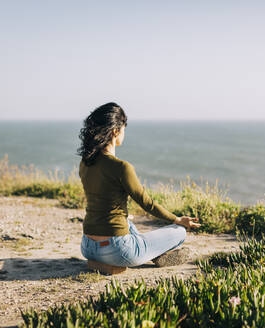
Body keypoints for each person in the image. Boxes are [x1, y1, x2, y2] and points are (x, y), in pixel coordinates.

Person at [76, 102, 201, 268]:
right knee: (180, 232)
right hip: (116, 250)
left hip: (88, 247)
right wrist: (178, 220)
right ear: (115, 131)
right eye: (123, 129)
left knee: (127, 222)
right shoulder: (121, 167)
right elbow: (147, 203)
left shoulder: (85, 163)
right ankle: (152, 253)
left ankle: (150, 252)